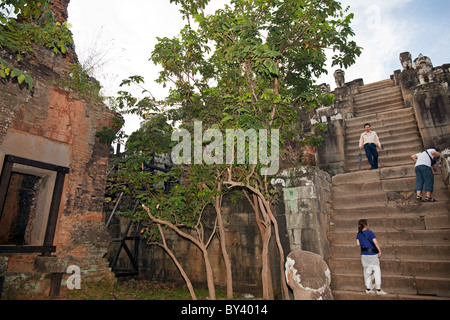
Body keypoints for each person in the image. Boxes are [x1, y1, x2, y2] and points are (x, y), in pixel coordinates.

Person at [356, 219, 387, 295]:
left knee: (367, 271)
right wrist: (379, 251)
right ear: (366, 224)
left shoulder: (359, 234)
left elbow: (357, 244)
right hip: (372, 254)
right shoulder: (370, 232)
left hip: (364, 254)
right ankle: (378, 289)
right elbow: (375, 242)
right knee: (376, 270)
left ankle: (368, 289)